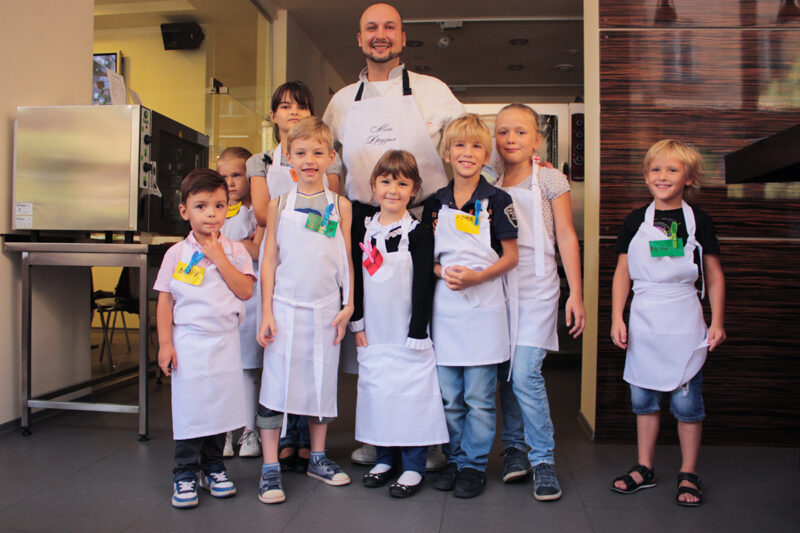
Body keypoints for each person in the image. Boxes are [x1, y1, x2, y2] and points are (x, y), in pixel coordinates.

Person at [323, 1, 464, 469]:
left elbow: (468, 137)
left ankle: (432, 438)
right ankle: (380, 433)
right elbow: (327, 163)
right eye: (371, 28)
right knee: (376, 334)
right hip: (365, 221)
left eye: (389, 27)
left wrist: (517, 169)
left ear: (403, 38)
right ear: (359, 39)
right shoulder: (343, 100)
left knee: (425, 329)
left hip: (427, 219)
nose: (380, 35)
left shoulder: (432, 90)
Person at [610, 139, 726, 507]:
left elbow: (715, 275)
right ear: (646, 176)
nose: (663, 176)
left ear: (688, 177)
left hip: (684, 318)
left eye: (672, 170)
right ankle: (644, 467)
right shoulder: (635, 221)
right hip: (644, 319)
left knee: (687, 404)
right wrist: (616, 316)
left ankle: (688, 473)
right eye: (656, 170)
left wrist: (717, 321)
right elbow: (622, 274)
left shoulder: (699, 222)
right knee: (643, 398)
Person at [255, 117, 355, 504]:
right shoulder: (278, 205)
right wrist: (266, 311)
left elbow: (345, 258)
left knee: (322, 385)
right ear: (288, 160)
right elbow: (269, 261)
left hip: (326, 311)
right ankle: (269, 468)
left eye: (317, 153)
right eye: (300, 153)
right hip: (284, 309)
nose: (309, 160)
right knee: (274, 388)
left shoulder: (340, 206)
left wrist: (349, 305)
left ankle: (317, 457)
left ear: (331, 157)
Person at [246, 81, 343, 472]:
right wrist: (293, 215)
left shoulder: (329, 167)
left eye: (302, 106)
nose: (293, 113)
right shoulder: (262, 163)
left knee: (314, 365)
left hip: (316, 277)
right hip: (280, 270)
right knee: (281, 364)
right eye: (284, 107)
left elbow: (330, 214)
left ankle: (307, 442)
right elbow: (263, 214)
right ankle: (283, 440)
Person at [492, 104, 586, 501]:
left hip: (539, 285)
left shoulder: (549, 179)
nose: (511, 139)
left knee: (527, 371)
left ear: (536, 138)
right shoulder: (487, 180)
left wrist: (575, 293)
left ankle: (543, 460)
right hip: (497, 285)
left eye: (520, 132)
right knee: (505, 371)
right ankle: (514, 450)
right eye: (502, 132)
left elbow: (566, 235)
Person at [423, 114, 519, 498]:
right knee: (449, 396)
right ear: (447, 153)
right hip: (446, 311)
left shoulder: (498, 201)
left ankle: (473, 466)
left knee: (479, 398)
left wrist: (477, 277)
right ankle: (455, 457)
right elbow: (426, 259)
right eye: (459, 145)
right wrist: (442, 270)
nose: (467, 153)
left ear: (486, 154)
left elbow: (510, 256)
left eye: (476, 146)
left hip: (484, 309)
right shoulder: (435, 204)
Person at [154, 169, 256, 509]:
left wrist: (219, 258)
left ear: (228, 208)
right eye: (201, 206)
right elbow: (166, 300)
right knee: (189, 408)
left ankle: (214, 466)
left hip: (225, 342)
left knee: (221, 408)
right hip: (188, 342)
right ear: (185, 211)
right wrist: (165, 344)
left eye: (219, 205)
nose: (211, 213)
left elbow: (244, 290)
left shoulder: (236, 251)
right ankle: (184, 472)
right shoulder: (175, 254)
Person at [350, 150, 448, 498]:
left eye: (402, 183)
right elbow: (357, 281)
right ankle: (384, 456)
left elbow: (423, 284)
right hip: (373, 330)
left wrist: (418, 332)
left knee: (412, 396)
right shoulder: (362, 229)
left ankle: (413, 465)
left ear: (415, 189)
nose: (393, 189)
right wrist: (357, 324)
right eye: (386, 181)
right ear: (373, 185)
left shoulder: (419, 234)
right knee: (377, 392)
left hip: (409, 332)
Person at [216, 146, 265, 459]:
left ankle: (249, 431)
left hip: (250, 298)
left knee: (248, 368)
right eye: (224, 176)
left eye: (237, 175)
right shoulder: (217, 211)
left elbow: (257, 250)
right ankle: (222, 431)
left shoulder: (256, 212)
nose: (231, 182)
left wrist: (224, 248)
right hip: (219, 297)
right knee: (222, 368)